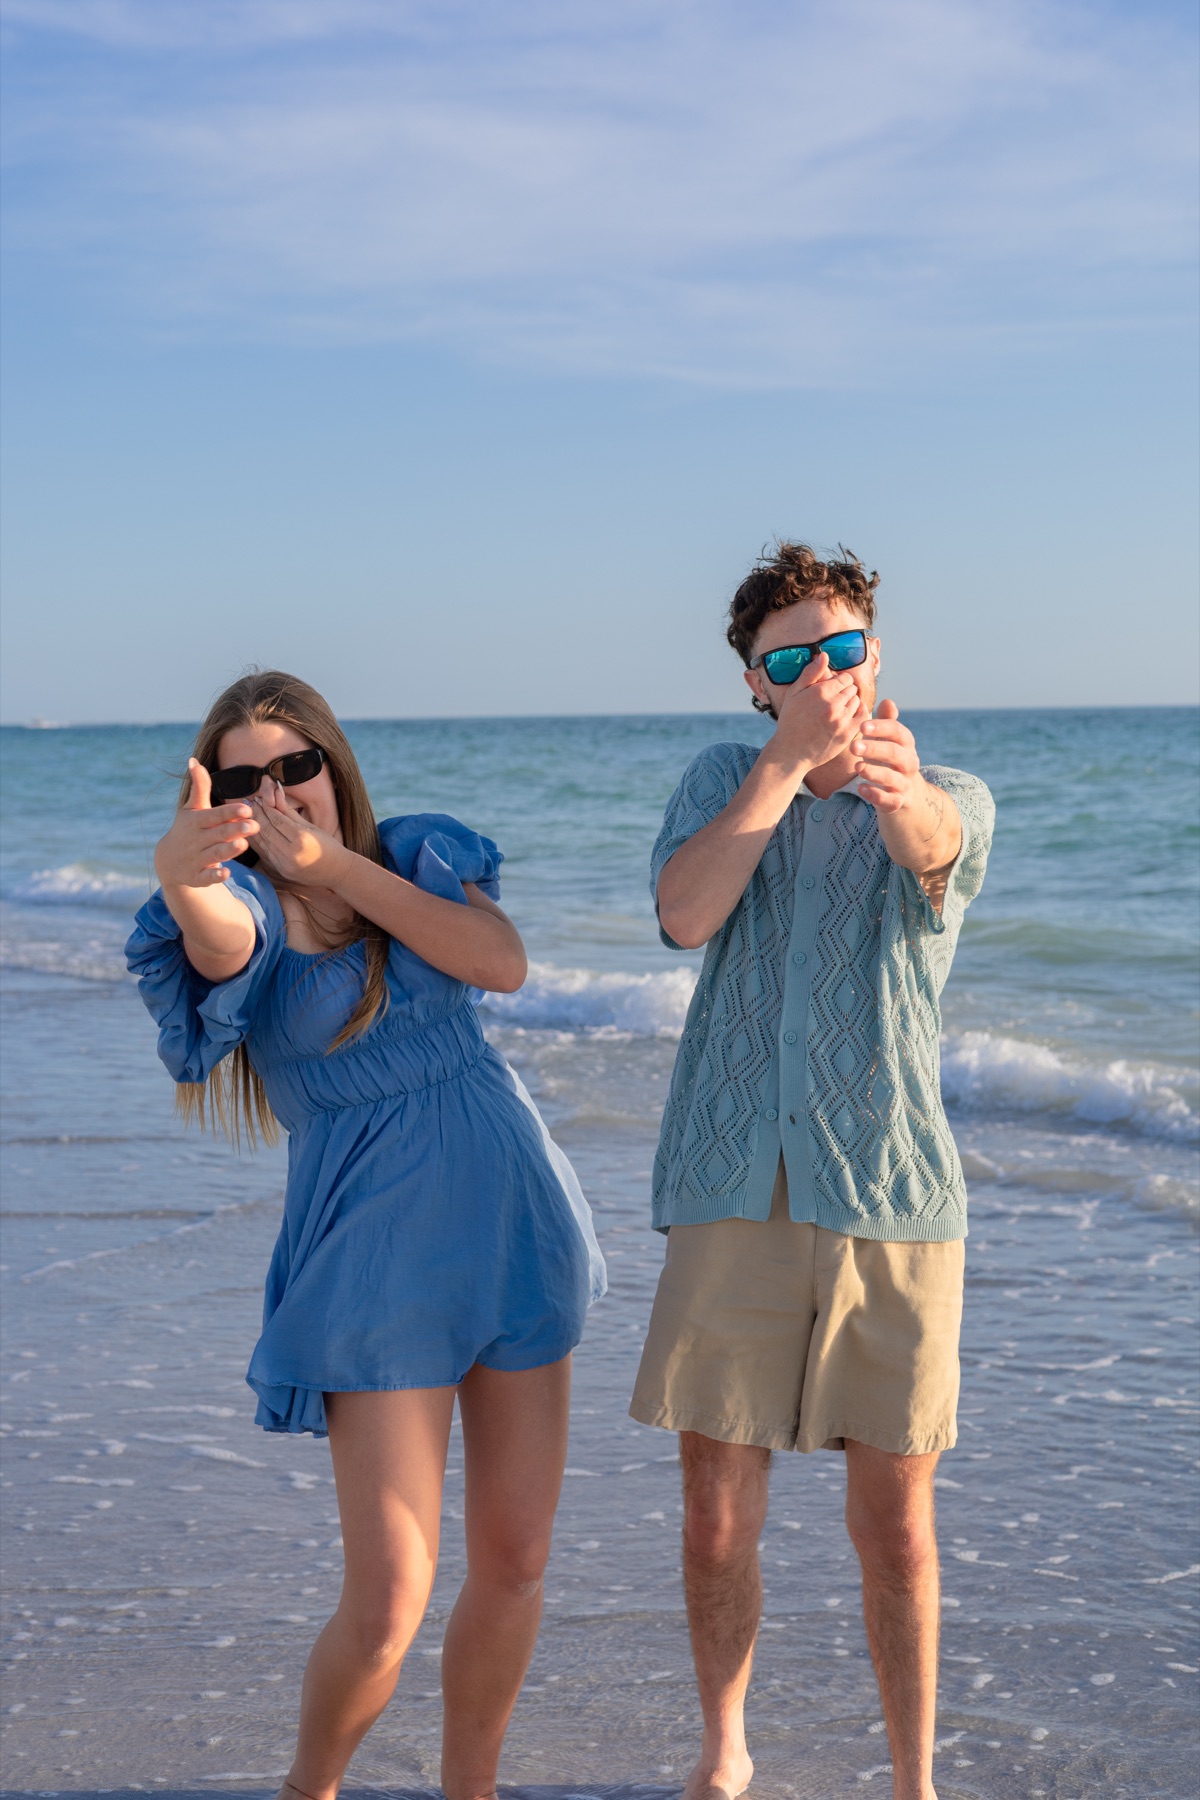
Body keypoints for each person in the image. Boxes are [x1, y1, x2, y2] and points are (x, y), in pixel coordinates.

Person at [125, 669, 605, 1800]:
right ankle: (312, 1790)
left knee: (518, 1559)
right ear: (219, 801)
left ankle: (468, 1790)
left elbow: (503, 965)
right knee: (389, 1597)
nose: (277, 792)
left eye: (297, 766)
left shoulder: (417, 858)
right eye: (246, 778)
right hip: (372, 1261)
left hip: (512, 1223)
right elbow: (213, 940)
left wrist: (335, 867)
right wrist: (182, 873)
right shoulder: (240, 912)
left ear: (335, 767)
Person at [629, 544, 994, 1800]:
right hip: (732, 1182)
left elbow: (937, 852)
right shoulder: (721, 780)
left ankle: (912, 1780)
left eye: (841, 651)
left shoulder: (942, 791)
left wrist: (892, 794)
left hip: (890, 1193)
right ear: (754, 682)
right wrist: (784, 768)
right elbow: (685, 915)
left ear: (874, 659)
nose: (824, 674)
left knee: (894, 1523)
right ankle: (726, 1752)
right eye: (793, 660)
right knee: (715, 1512)